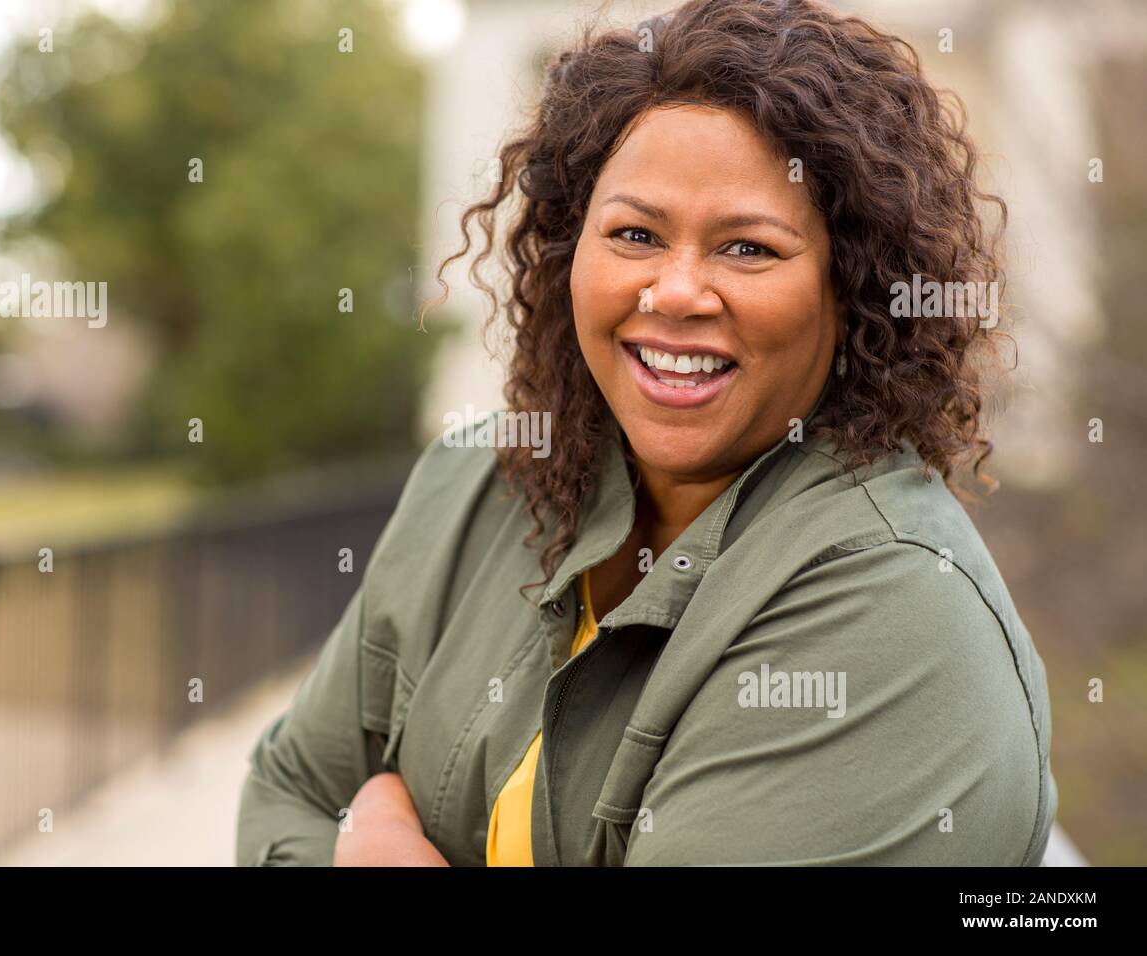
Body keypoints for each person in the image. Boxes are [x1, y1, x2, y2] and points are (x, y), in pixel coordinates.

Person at [235, 0, 1057, 866]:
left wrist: (379, 846)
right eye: (635, 234)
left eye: (747, 248)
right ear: (568, 254)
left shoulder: (897, 621)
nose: (674, 292)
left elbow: (331, 821)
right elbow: (291, 792)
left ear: (851, 289)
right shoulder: (480, 479)